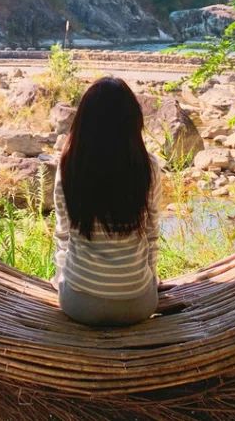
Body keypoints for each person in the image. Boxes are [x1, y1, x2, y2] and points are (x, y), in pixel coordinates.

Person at [53, 76, 162, 326]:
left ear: (83, 123)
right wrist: (151, 280)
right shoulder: (148, 166)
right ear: (133, 122)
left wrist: (60, 276)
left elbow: (63, 232)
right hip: (138, 305)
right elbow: (152, 232)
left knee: (64, 274)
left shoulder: (69, 164)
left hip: (79, 305)